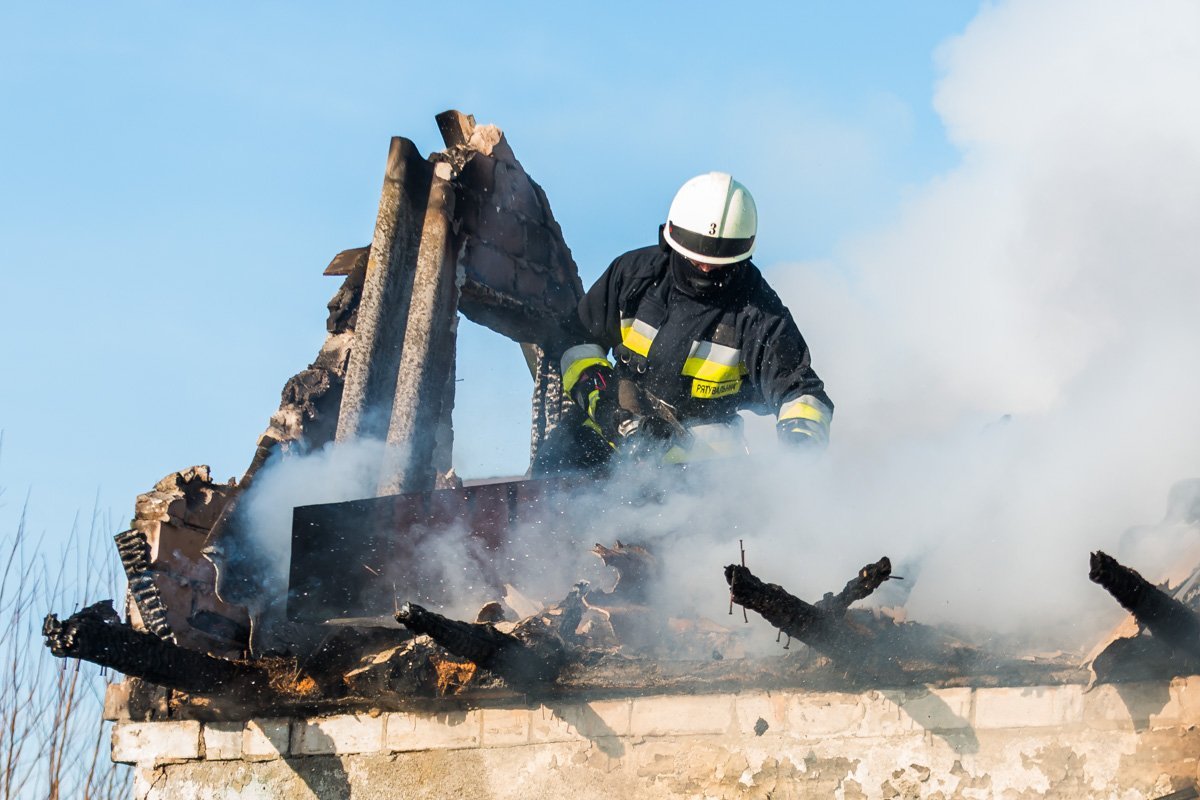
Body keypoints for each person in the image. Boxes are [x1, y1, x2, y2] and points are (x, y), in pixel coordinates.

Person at [533, 172, 832, 475]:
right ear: (671, 236)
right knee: (541, 494)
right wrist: (607, 408)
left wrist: (799, 456)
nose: (705, 267)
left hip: (700, 473)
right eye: (696, 255)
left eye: (720, 261)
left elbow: (801, 394)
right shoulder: (633, 277)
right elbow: (576, 342)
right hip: (606, 440)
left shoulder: (760, 313)